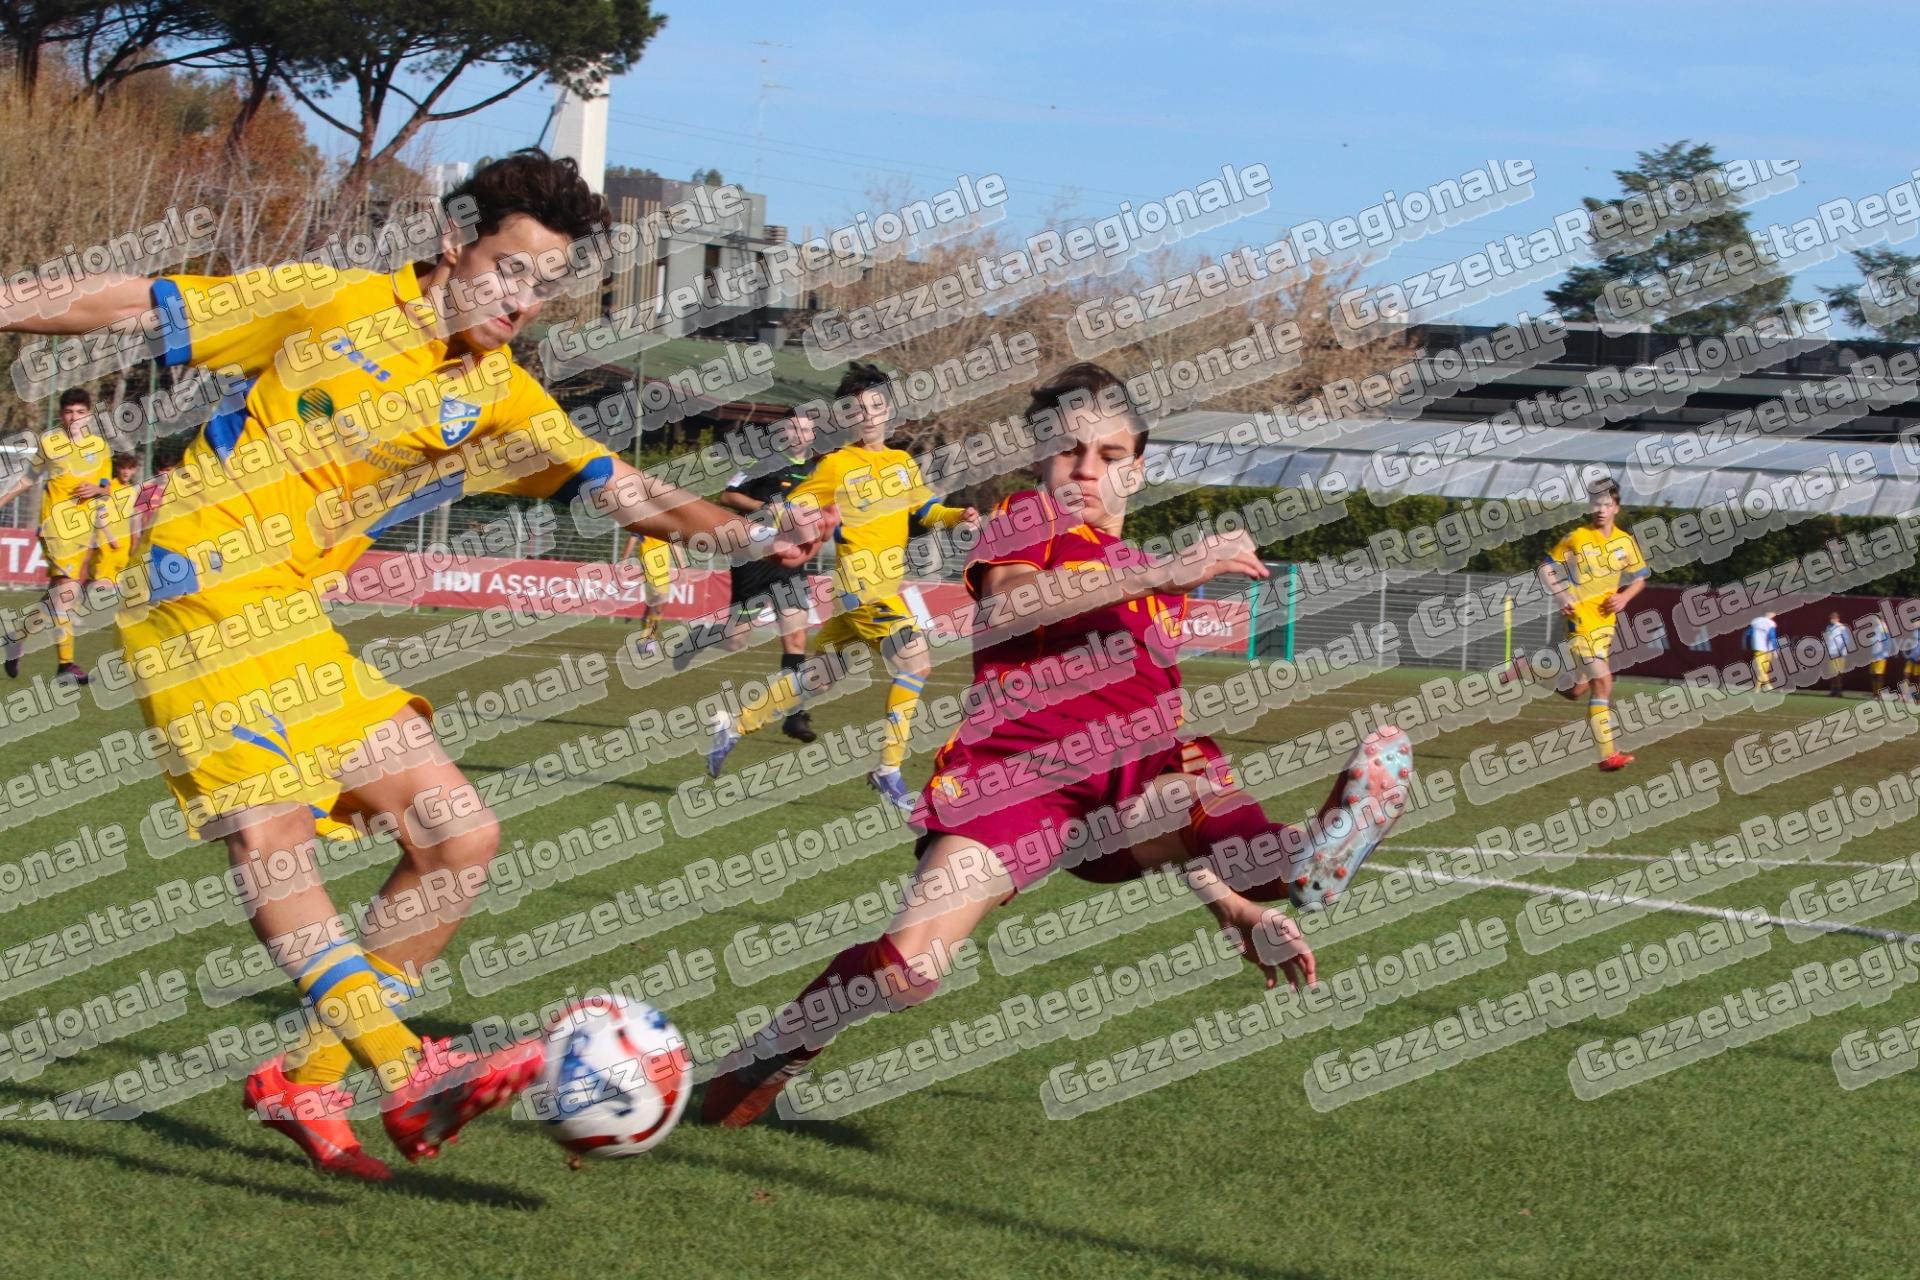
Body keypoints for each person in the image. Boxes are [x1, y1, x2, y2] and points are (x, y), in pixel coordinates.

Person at [0, 148, 833, 1180]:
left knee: (457, 832)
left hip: (293, 616)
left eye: (544, 285)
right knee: (271, 830)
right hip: (194, 584)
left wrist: (754, 537)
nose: (521, 300)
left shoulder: (499, 393)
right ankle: (405, 1064)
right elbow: (141, 302)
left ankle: (305, 1078)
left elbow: (621, 487)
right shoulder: (329, 302)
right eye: (508, 269)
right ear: (452, 241)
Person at [700, 362, 1413, 1128]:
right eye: (1068, 450)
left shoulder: (1153, 583)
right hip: (1015, 781)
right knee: (908, 972)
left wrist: (1234, 910)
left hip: (1130, 790)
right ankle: (777, 1050)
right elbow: (1011, 604)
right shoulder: (1030, 519)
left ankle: (1302, 856)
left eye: (1109, 455)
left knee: (1189, 780)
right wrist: (1170, 570)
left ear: (1136, 470)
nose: (1085, 469)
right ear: (1041, 456)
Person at [708, 363, 978, 810]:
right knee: (916, 661)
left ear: (889, 410)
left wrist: (959, 516)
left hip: (885, 588)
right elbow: (792, 506)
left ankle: (733, 724)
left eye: (875, 406)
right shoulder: (836, 465)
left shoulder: (901, 463)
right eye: (857, 409)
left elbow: (927, 511)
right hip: (859, 585)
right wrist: (792, 523)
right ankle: (889, 770)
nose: (867, 415)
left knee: (819, 677)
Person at [673, 409, 821, 741]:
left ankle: (794, 715)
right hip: (754, 558)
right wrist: (766, 508)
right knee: (735, 640)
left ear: (813, 434)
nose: (799, 434)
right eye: (793, 427)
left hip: (791, 562)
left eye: (805, 429)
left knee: (796, 639)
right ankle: (700, 638)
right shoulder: (764, 461)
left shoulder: (818, 471)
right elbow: (728, 495)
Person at [1500, 476, 1649, 771]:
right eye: (1596, 504)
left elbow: (1640, 579)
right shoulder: (1578, 537)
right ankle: (1607, 755)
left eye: (1606, 504)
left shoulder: (1625, 542)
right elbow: (1546, 568)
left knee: (1575, 691)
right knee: (1603, 682)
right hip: (1579, 620)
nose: (1600, 509)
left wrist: (1624, 597)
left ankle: (1526, 669)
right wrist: (1561, 595)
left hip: (1604, 625)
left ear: (1616, 507)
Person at [0, 387, 114, 683]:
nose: (74, 418)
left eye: (80, 412)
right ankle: (66, 665)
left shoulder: (100, 447)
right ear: (61, 415)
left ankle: (16, 637)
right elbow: (28, 479)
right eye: (68, 412)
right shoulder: (50, 443)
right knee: (67, 594)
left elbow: (107, 488)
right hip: (55, 529)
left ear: (89, 415)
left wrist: (96, 489)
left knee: (56, 597)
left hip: (82, 531)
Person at [83, 452, 143, 603]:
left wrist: (134, 539)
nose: (126, 472)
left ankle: (79, 601)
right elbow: (99, 515)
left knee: (115, 580)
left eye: (130, 468)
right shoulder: (108, 487)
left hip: (124, 542)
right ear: (118, 469)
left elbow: (133, 517)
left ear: (134, 470)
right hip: (106, 539)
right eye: (123, 468)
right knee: (100, 579)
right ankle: (74, 602)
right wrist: (110, 538)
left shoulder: (132, 491)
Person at [620, 531, 683, 657]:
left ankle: (647, 638)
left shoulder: (667, 526)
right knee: (661, 600)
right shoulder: (644, 524)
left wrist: (682, 565)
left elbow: (673, 544)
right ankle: (648, 639)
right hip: (650, 565)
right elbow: (632, 538)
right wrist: (624, 562)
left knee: (655, 604)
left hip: (663, 569)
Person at [1745, 611, 1778, 692]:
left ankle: (1757, 688)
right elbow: (1772, 637)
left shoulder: (1756, 621)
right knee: (1761, 669)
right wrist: (1775, 650)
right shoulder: (1770, 623)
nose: (1774, 614)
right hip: (1767, 649)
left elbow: (1748, 634)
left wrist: (1748, 645)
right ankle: (1768, 685)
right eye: (1773, 613)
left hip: (1760, 648)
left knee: (1762, 670)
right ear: (1768, 613)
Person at [1824, 612, 1852, 697]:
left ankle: (1839, 691)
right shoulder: (1828, 627)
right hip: (1832, 653)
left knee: (1838, 673)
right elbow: (1828, 640)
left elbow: (1846, 640)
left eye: (1833, 618)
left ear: (1837, 618)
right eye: (1831, 618)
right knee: (1832, 673)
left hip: (1839, 653)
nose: (1831, 619)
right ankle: (1833, 691)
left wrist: (1841, 650)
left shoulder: (1842, 627)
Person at [1866, 614, 1892, 697]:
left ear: (1880, 619)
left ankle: (1878, 694)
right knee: (1873, 674)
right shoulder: (1875, 628)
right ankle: (1875, 693)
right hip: (1874, 655)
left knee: (1879, 674)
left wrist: (1882, 654)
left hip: (1880, 655)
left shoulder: (1883, 628)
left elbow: (1887, 642)